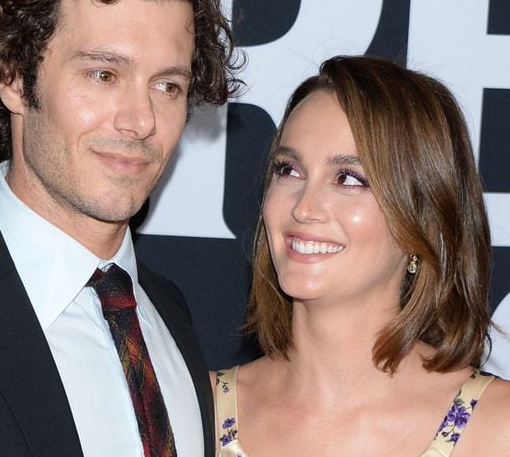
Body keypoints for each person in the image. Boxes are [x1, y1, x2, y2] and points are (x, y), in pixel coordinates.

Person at [0, 0, 240, 457]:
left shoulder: (166, 314)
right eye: (103, 74)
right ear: (12, 77)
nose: (142, 119)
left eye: (167, 85)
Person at [212, 56, 510, 456]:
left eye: (349, 179)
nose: (304, 207)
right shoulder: (195, 409)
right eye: (288, 170)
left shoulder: (497, 426)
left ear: (422, 222)